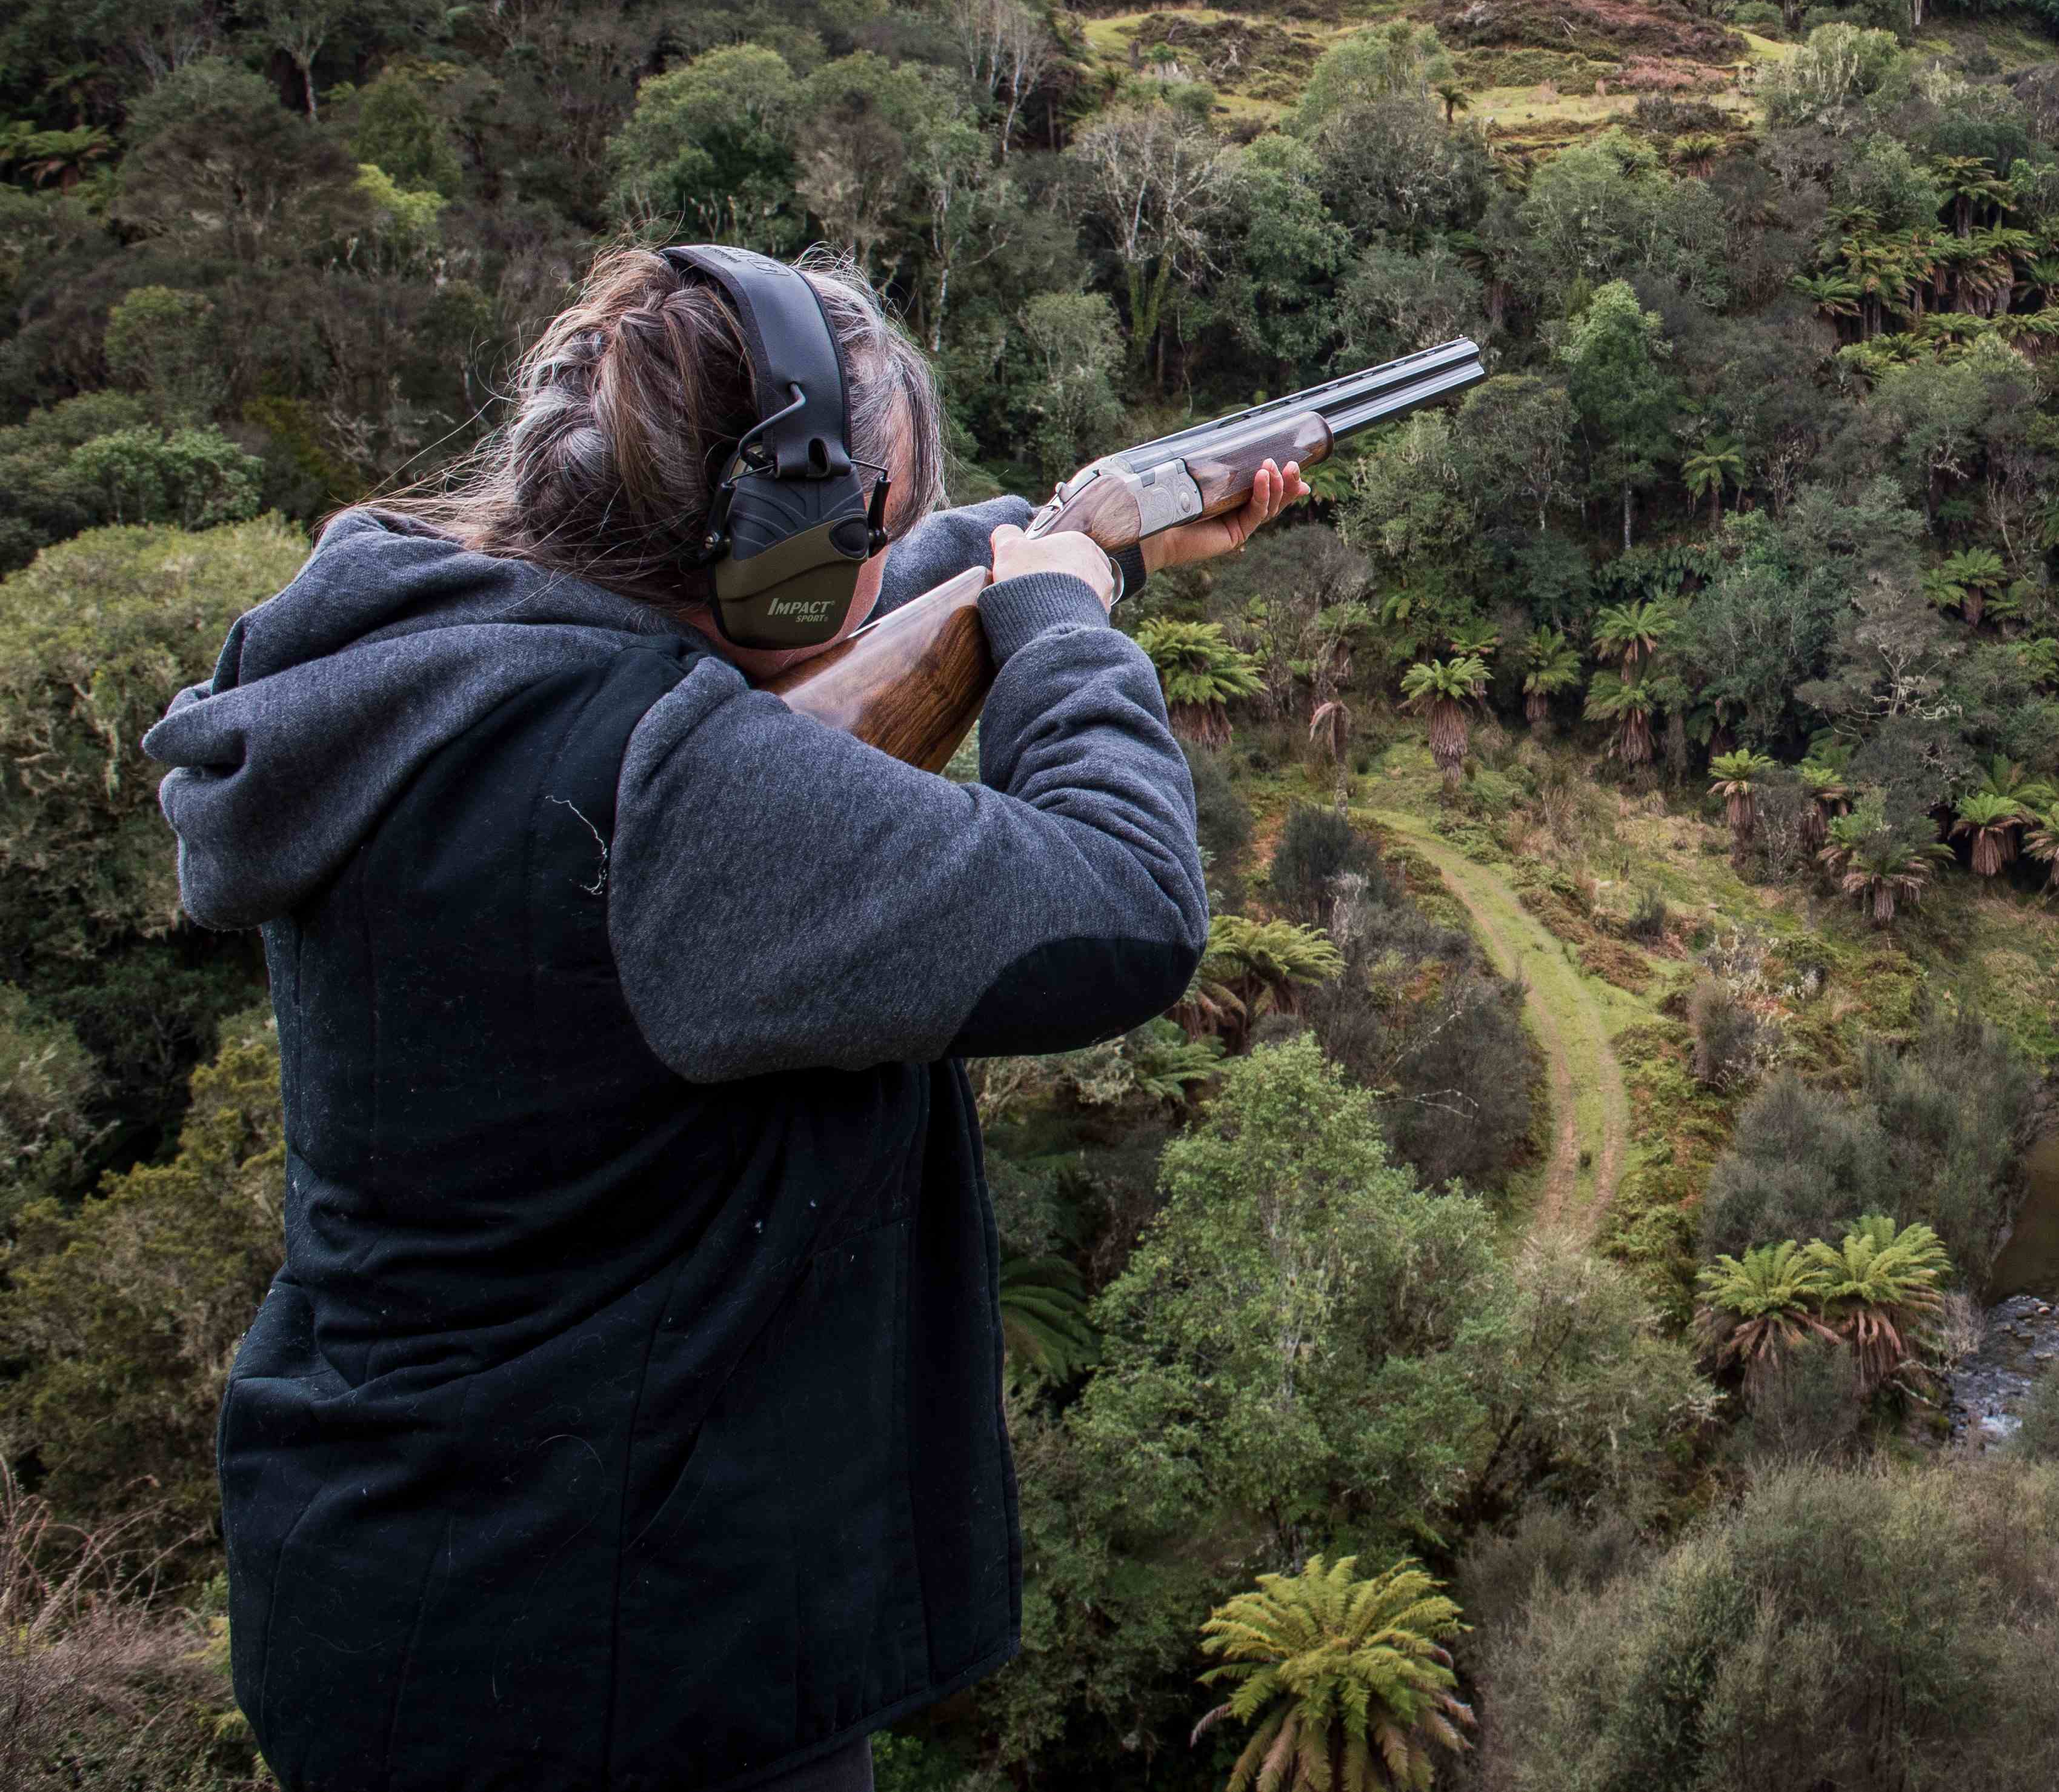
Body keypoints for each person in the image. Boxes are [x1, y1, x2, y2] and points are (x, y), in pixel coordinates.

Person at [143, 247, 1301, 1792]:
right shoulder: (671, 793)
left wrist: (1080, 543)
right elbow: (1129, 900)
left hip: (400, 1598)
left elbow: (820, 630)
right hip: (624, 1672)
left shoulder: (413, 663)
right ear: (779, 558)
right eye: (868, 531)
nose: (878, 565)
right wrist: (1070, 632)